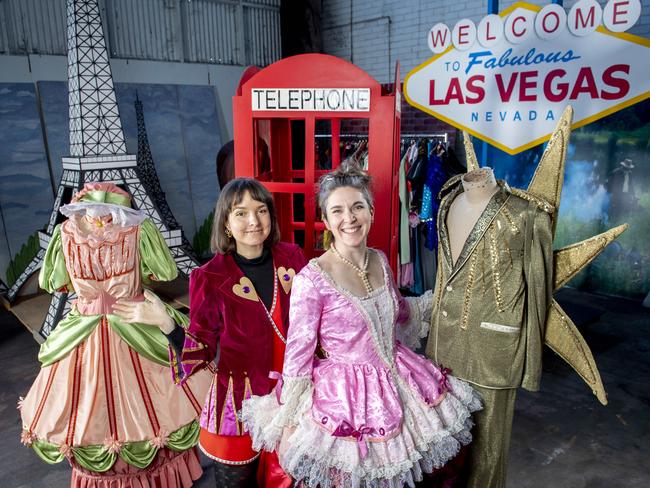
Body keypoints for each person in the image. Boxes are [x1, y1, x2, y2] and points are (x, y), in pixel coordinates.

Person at [242, 163, 481, 488]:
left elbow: (399, 313)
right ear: (326, 220)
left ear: (370, 211)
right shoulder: (312, 280)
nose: (349, 218)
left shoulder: (380, 260)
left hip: (401, 379)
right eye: (337, 210)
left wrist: (441, 299)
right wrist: (287, 425)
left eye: (357, 207)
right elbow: (298, 359)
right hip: (348, 396)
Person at [114, 177, 307, 487]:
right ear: (226, 223)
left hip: (296, 401)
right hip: (237, 407)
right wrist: (167, 324)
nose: (254, 221)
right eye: (241, 213)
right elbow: (202, 347)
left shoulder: (293, 258)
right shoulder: (209, 277)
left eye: (261, 210)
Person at [19, 182, 211, 487]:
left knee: (90, 410)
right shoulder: (137, 230)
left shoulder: (65, 235)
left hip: (93, 326)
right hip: (132, 322)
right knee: (156, 404)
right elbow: (164, 272)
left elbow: (53, 281)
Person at [425, 167, 553, 488]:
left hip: (493, 355)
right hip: (441, 353)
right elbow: (445, 279)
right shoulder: (448, 203)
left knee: (486, 460)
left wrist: (531, 367)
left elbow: (539, 292)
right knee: (444, 457)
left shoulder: (527, 214)